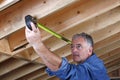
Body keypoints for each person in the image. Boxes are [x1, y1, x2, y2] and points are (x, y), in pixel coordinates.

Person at [25, 22, 110, 80]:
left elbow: (68, 71)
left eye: (79, 46)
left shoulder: (96, 67)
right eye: (72, 47)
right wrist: (36, 46)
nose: (74, 50)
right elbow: (57, 68)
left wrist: (38, 44)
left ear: (90, 50)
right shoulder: (90, 65)